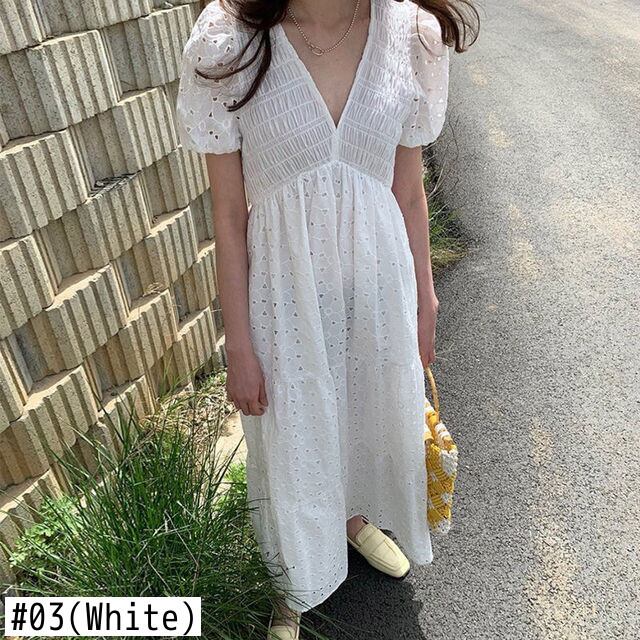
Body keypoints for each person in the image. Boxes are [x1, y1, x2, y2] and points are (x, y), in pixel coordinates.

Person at [176, 0, 478, 637]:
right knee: (294, 431)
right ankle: (293, 583)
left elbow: (408, 190)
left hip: (378, 287)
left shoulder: (410, 34)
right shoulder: (230, 41)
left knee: (365, 410)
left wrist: (424, 298)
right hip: (283, 296)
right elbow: (228, 216)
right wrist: (238, 344)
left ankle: (352, 519)